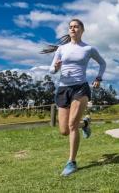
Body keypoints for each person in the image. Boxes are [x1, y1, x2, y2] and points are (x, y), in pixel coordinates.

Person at [41, 18, 106, 176]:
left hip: (80, 88)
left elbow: (102, 63)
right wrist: (55, 68)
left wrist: (98, 78)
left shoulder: (88, 49)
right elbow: (51, 70)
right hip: (63, 89)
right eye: (70, 27)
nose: (73, 29)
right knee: (64, 130)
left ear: (82, 30)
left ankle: (72, 162)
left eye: (76, 27)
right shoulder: (62, 48)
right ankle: (85, 124)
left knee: (71, 125)